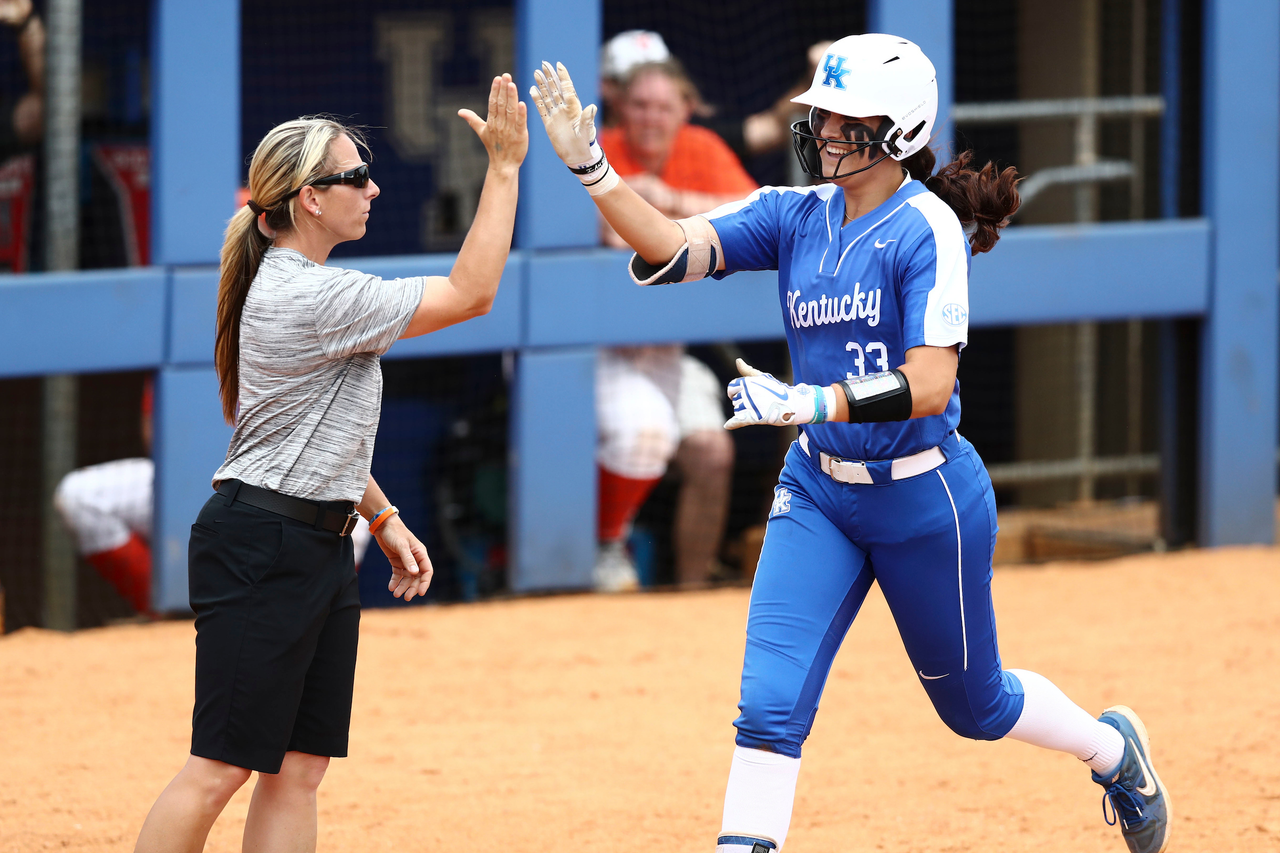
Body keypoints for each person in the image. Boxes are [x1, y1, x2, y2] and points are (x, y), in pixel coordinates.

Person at [531, 34, 1170, 853]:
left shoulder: (926, 227)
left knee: (976, 708)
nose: (824, 130)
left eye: (845, 119)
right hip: (820, 490)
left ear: (897, 130)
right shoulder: (795, 215)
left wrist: (812, 398)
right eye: (821, 115)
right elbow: (670, 245)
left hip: (922, 493)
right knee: (768, 702)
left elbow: (931, 381)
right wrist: (593, 168)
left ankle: (1114, 750)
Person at [133, 76, 527, 853]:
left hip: (311, 542)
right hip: (261, 545)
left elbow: (314, 432)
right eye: (355, 176)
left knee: (299, 766)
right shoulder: (308, 294)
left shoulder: (302, 286)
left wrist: (378, 513)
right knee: (220, 766)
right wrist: (505, 170)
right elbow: (473, 292)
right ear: (309, 198)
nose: (373, 188)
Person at [593, 57, 758, 592]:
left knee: (712, 450)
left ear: (686, 108)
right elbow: (608, 232)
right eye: (640, 104)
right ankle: (606, 544)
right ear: (619, 105)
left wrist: (669, 203)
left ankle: (690, 596)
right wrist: (651, 213)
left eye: (665, 106)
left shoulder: (700, 148)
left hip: (664, 348)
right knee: (644, 433)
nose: (651, 117)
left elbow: (756, 213)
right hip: (593, 348)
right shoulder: (597, 148)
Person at [52, 380, 374, 617]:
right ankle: (164, 611)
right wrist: (186, 476)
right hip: (178, 484)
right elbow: (154, 427)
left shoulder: (292, 335)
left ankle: (291, 620)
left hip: (273, 485)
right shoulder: (193, 336)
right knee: (79, 495)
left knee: (354, 522)